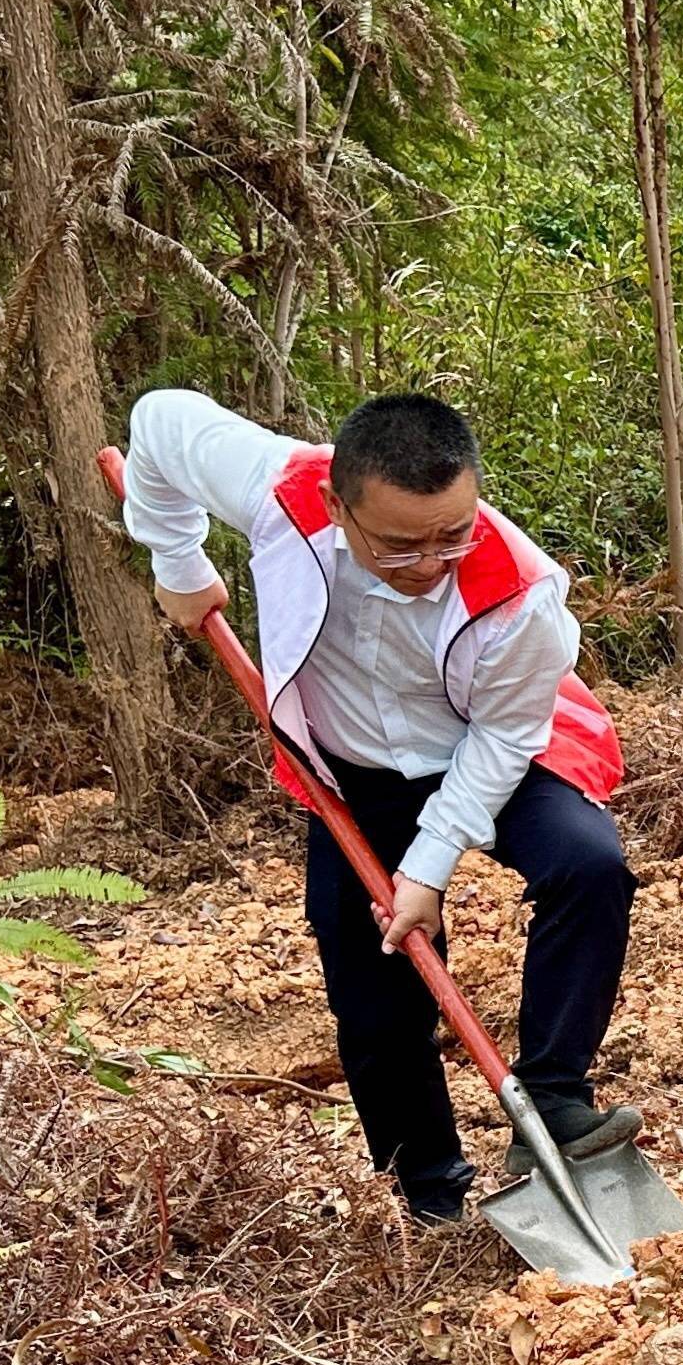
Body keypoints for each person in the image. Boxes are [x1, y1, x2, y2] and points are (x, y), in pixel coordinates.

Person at [123, 388, 638, 1228]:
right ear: (337, 507)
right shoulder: (277, 489)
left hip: (487, 752)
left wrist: (426, 870)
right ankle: (430, 1193)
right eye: (400, 544)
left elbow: (503, 744)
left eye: (453, 533)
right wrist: (178, 567)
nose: (434, 560)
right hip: (356, 775)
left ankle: (553, 1102)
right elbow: (157, 423)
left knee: (589, 865)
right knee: (369, 982)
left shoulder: (523, 596)